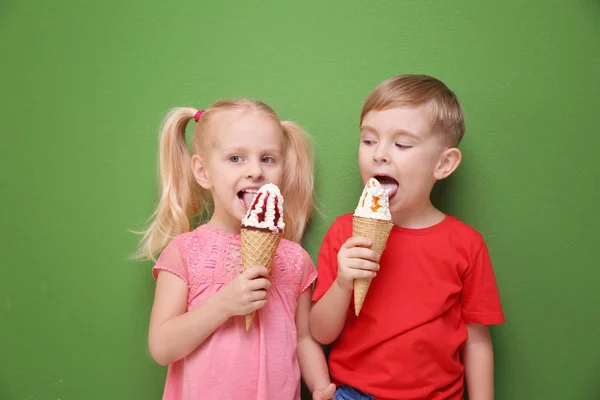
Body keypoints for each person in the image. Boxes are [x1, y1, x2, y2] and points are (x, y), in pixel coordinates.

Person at [309, 75, 505, 400]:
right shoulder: (345, 233)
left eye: (402, 144)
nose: (380, 155)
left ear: (443, 164)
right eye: (369, 140)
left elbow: (478, 340)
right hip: (354, 393)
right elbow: (320, 332)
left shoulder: (466, 244)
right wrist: (344, 283)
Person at [137, 99, 335, 400]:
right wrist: (223, 304)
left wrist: (321, 386)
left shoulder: (295, 259)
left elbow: (303, 338)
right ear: (203, 172)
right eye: (236, 158)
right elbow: (162, 347)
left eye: (268, 159)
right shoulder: (184, 252)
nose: (256, 170)